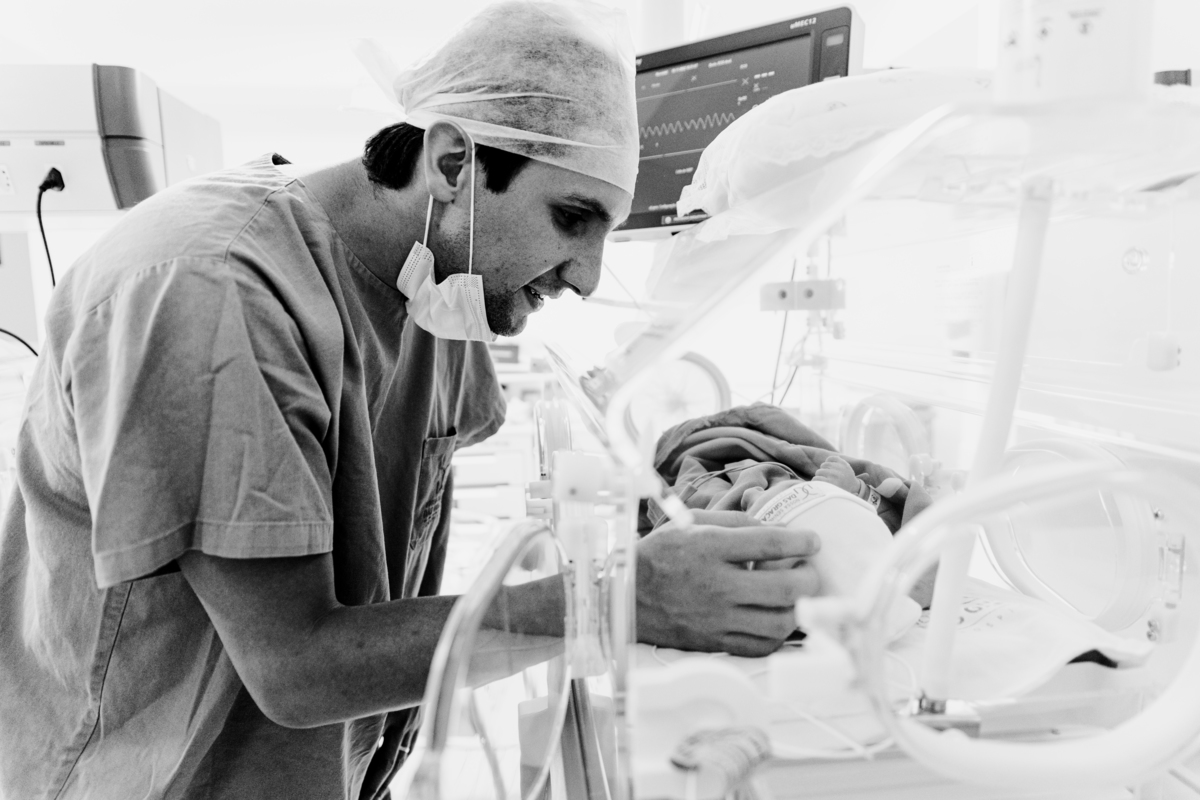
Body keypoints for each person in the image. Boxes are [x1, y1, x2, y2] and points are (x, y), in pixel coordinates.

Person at [0, 2, 821, 799]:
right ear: (454, 163)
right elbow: (295, 666)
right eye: (572, 219)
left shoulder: (440, 285)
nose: (587, 275)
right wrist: (618, 600)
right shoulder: (210, 292)